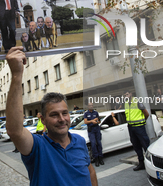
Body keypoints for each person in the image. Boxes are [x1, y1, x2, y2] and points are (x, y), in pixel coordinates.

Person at [5, 46, 97, 186]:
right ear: (42, 119)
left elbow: (90, 172)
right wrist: (17, 74)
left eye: (64, 113)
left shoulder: (79, 141)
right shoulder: (37, 147)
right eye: (54, 115)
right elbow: (15, 131)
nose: (62, 119)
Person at [124, 91, 150, 171]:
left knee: (145, 144)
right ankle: (141, 163)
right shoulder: (126, 103)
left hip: (139, 127)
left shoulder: (137, 101)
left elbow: (146, 113)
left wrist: (142, 122)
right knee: (136, 145)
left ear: (131, 94)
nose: (126, 96)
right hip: (131, 127)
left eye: (127, 94)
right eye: (124, 95)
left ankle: (150, 163)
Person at [84, 102, 104, 167]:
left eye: (92, 105)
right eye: (90, 105)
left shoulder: (96, 112)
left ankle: (101, 158)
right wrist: (92, 121)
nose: (91, 106)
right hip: (91, 130)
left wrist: (97, 121)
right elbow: (85, 122)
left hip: (97, 128)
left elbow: (99, 121)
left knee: (99, 143)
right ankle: (96, 159)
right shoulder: (86, 113)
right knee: (93, 144)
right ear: (88, 106)